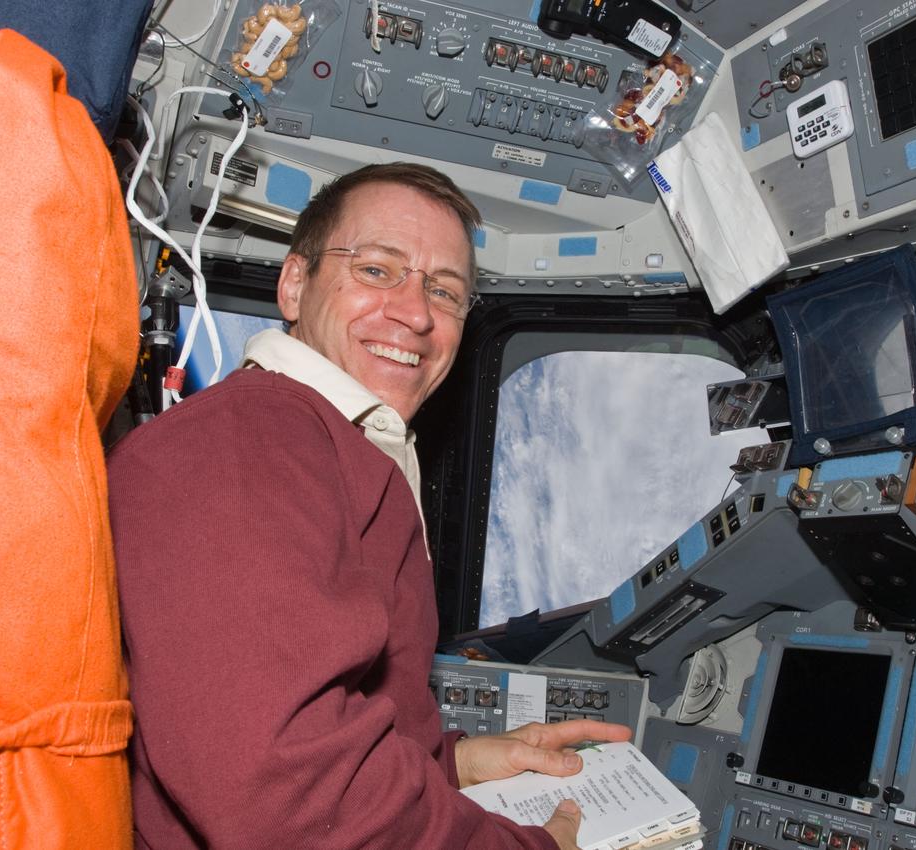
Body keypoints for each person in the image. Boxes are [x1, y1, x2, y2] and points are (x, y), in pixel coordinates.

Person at [107, 162, 631, 849]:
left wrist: (455, 763)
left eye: (444, 291)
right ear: (295, 284)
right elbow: (282, 800)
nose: (415, 314)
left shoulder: (330, 449)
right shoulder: (245, 447)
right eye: (379, 270)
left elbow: (325, 721)